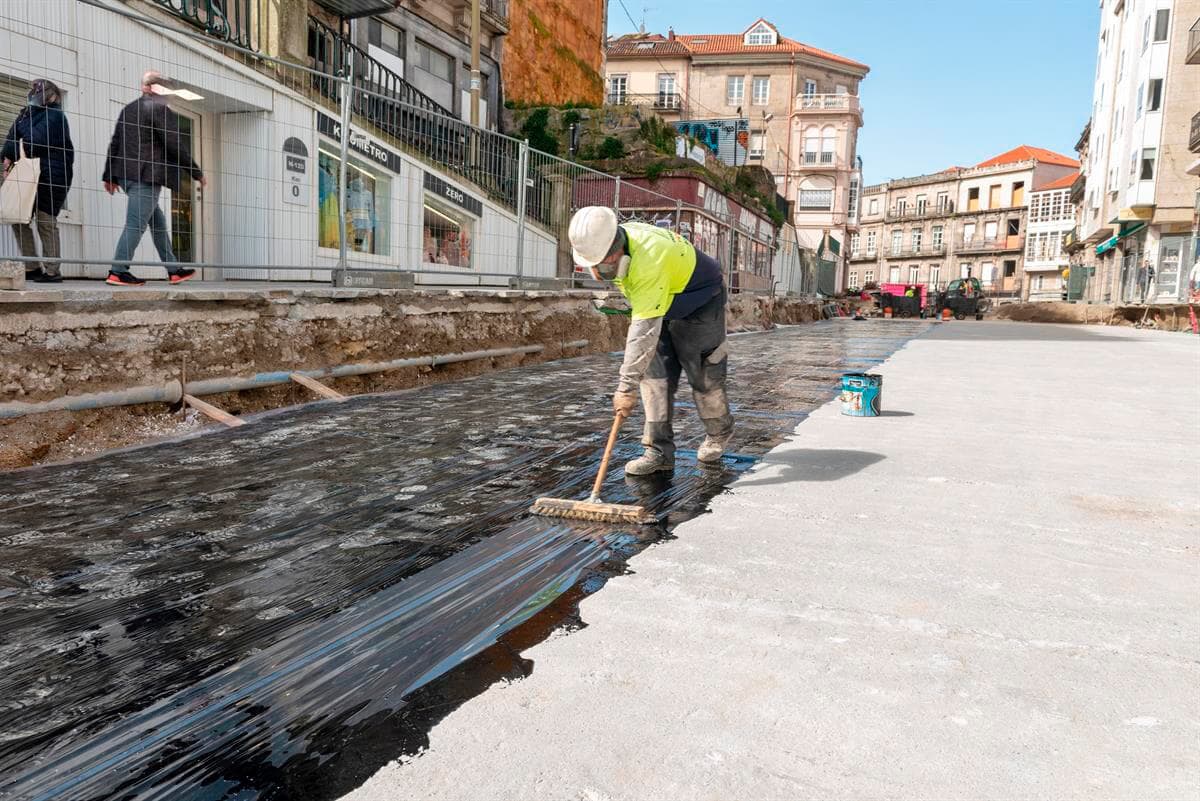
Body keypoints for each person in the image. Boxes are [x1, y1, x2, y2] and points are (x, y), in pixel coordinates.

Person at [568, 206, 733, 475]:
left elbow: (642, 333)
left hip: (699, 299)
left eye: (602, 264)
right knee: (654, 378)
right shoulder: (617, 247)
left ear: (616, 249)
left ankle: (718, 433)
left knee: (703, 372)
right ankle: (658, 451)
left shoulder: (648, 259)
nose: (599, 272)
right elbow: (645, 323)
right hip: (660, 298)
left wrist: (625, 388)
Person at [102, 71, 203, 286]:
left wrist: (109, 175)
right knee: (135, 224)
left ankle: (174, 270)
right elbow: (174, 143)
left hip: (127, 177)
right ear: (147, 88)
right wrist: (196, 172)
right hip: (146, 176)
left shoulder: (128, 109)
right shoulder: (159, 109)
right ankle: (118, 271)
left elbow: (115, 142)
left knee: (157, 222)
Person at [1, 79, 74, 283]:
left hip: (52, 174)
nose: (34, 94)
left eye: (39, 91)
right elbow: (10, 141)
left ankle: (52, 270)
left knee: (45, 220)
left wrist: (17, 139)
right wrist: (8, 156)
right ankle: (32, 266)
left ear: (52, 96)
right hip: (28, 172)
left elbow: (35, 141)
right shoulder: (26, 114)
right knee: (17, 218)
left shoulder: (55, 115)